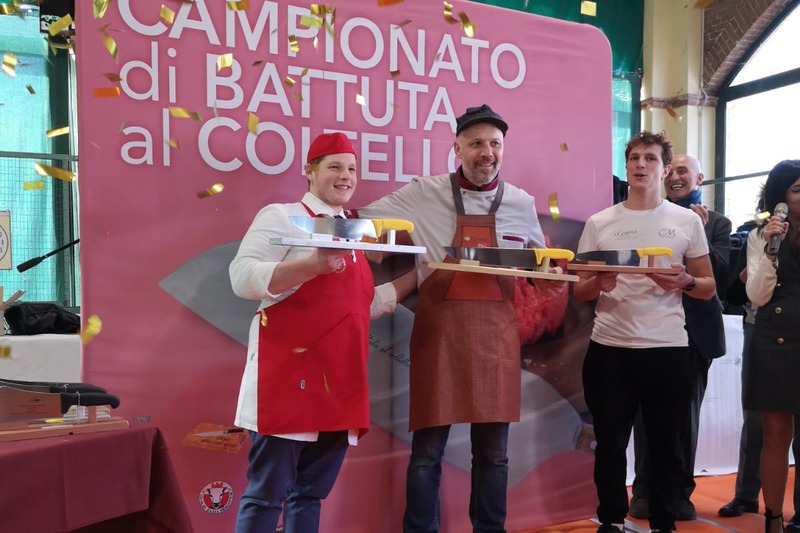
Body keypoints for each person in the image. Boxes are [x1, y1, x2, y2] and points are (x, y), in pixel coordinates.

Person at [357, 104, 566, 533]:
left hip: (496, 342)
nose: (486, 152)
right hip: (441, 338)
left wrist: (553, 280)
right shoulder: (422, 193)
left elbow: (541, 271)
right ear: (456, 148)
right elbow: (364, 221)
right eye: (476, 143)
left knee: (493, 454)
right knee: (427, 453)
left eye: (494, 143)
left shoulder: (522, 203)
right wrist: (375, 247)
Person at [229, 132, 415, 533]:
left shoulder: (354, 231)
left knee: (309, 495)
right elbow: (242, 278)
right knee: (266, 495)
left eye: (351, 168)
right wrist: (311, 265)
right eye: (334, 166)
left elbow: (357, 305)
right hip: (287, 381)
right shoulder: (281, 216)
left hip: (340, 384)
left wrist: (421, 275)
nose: (345, 176)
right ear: (309, 172)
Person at [574, 131, 715, 533]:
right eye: (634, 158)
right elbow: (581, 289)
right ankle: (612, 520)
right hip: (610, 347)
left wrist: (685, 281)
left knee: (666, 444)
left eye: (650, 159)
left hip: (668, 348)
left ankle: (663, 523)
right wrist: (598, 284)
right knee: (610, 444)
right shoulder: (600, 222)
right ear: (626, 166)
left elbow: (707, 287)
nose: (640, 165)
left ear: (664, 167)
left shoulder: (686, 220)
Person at [629, 155, 732, 520]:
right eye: (670, 171)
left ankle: (678, 495)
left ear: (700, 178)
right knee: (644, 416)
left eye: (682, 171)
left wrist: (696, 234)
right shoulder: (644, 219)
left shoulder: (718, 224)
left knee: (683, 419)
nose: (675, 177)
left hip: (694, 336)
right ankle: (642, 492)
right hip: (647, 328)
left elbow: (717, 276)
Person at [719, 202, 800, 527]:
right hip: (766, 331)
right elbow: (741, 292)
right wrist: (767, 252)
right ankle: (752, 498)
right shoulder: (758, 235)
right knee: (761, 427)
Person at [742, 159, 800, 533]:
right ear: (781, 198)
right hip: (774, 340)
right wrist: (770, 250)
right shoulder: (762, 236)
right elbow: (756, 294)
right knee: (775, 436)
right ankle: (773, 518)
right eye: (797, 189)